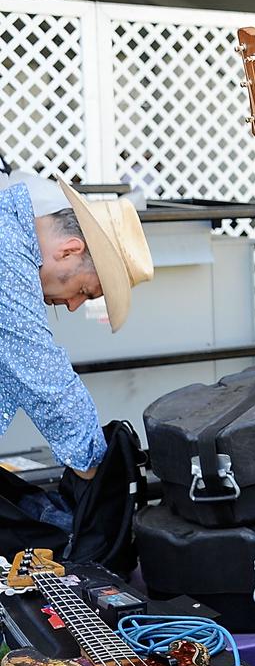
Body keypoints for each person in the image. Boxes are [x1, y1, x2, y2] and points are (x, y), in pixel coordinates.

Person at [0, 173, 153, 488]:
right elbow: (41, 371)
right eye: (84, 291)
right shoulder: (8, 250)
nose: (72, 306)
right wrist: (97, 470)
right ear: (69, 250)